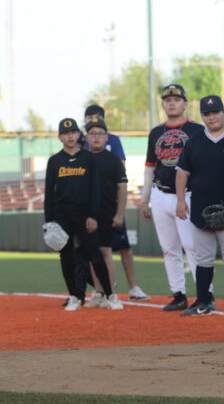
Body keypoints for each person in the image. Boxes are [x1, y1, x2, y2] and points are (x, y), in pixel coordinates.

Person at [175, 95, 224, 316]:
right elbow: (182, 171)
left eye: (215, 112)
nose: (212, 117)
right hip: (201, 207)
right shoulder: (195, 140)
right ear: (202, 116)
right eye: (207, 114)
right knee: (203, 258)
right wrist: (181, 200)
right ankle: (202, 302)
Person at [141, 84, 205, 311]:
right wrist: (144, 199)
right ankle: (179, 295)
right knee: (169, 248)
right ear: (163, 104)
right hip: (160, 193)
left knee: (192, 246)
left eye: (177, 99)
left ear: (185, 103)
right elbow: (150, 168)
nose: (172, 102)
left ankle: (205, 295)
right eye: (167, 99)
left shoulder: (197, 130)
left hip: (187, 195)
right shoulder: (156, 132)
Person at [43, 118, 115, 311]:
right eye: (65, 133)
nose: (70, 136)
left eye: (73, 132)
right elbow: (49, 193)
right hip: (62, 215)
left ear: (78, 134)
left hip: (84, 215)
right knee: (66, 258)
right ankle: (75, 297)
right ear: (60, 137)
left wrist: (93, 216)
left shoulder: (88, 158)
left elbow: (95, 189)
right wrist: (48, 222)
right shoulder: (54, 161)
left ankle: (109, 294)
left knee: (95, 253)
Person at [82, 104, 149, 301]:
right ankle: (96, 289)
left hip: (110, 203)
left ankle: (133, 287)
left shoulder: (113, 141)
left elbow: (121, 173)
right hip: (89, 207)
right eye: (90, 116)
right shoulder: (82, 141)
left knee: (123, 246)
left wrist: (120, 209)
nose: (93, 119)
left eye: (97, 116)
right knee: (89, 250)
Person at [79, 120, 127, 310]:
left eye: (100, 133)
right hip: (87, 214)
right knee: (92, 253)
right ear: (87, 138)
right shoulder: (82, 158)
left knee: (105, 252)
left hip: (107, 212)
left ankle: (110, 293)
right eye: (92, 133)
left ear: (106, 137)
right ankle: (98, 293)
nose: (96, 136)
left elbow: (122, 188)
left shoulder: (113, 160)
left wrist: (119, 214)